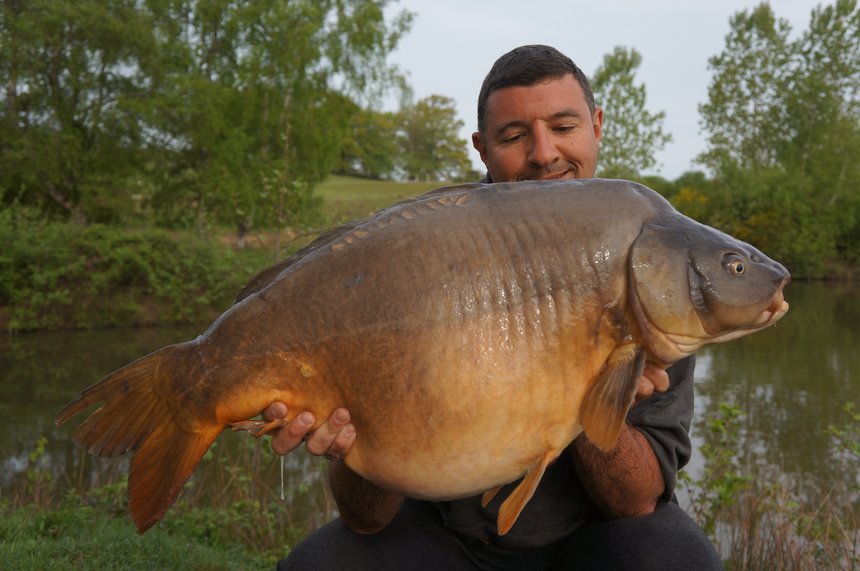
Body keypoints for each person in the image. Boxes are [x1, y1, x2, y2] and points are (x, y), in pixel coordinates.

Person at [263, 44, 723, 570]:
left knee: (674, 559)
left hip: (591, 541)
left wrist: (599, 399)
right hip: (443, 536)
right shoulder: (424, 254)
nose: (544, 153)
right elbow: (366, 517)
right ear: (482, 149)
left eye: (563, 126)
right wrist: (350, 443)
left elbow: (635, 501)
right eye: (514, 135)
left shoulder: (648, 266)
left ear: (596, 126)